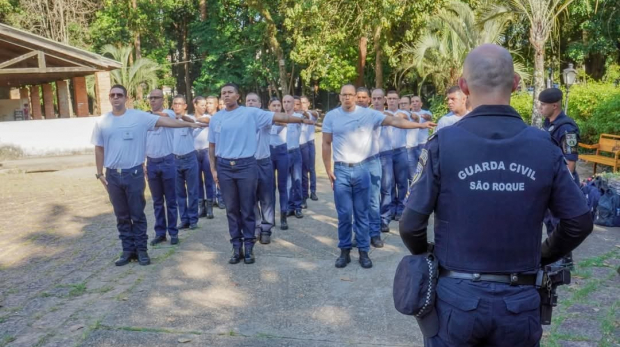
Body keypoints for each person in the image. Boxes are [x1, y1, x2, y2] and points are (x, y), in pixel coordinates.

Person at [399, 44, 593, 346]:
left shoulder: (443, 143)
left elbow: (411, 225)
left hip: (456, 302)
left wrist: (429, 255)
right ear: (515, 83)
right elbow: (578, 221)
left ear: (464, 86)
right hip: (519, 304)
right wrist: (541, 256)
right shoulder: (544, 145)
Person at [322, 84, 435, 269]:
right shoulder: (331, 116)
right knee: (344, 214)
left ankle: (364, 252)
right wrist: (328, 169)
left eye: (351, 94)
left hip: (362, 168)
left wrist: (420, 124)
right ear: (340, 96)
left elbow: (395, 122)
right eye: (345, 95)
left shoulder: (368, 114)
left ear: (355, 96)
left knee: (361, 212)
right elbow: (326, 143)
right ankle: (344, 251)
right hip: (341, 170)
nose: (348, 98)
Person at [92, 85, 206, 266]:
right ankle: (127, 251)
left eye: (119, 95)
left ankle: (142, 251)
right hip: (113, 174)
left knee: (137, 214)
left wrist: (190, 123)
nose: (116, 98)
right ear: (109, 98)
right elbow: (99, 148)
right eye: (112, 95)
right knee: (121, 215)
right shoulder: (102, 121)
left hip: (134, 173)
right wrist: (99, 173)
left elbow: (168, 122)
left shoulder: (139, 117)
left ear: (126, 98)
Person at [208, 83, 312, 265]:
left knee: (247, 208)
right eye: (223, 93)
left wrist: (301, 120)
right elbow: (212, 146)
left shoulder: (251, 113)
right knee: (231, 210)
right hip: (224, 167)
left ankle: (249, 248)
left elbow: (279, 117)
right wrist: (213, 169)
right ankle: (236, 247)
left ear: (238, 96)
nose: (226, 95)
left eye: (230, 92)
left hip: (246, 165)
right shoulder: (216, 118)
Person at [145, 89, 179, 246]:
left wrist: (147, 116)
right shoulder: (145, 118)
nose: (153, 100)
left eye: (156, 98)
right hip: (151, 162)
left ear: (163, 100)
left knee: (171, 200)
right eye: (151, 98)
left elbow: (164, 117)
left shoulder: (169, 114)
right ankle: (160, 233)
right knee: (157, 201)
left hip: (167, 161)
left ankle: (173, 232)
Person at [246, 92, 275, 244]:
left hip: (263, 162)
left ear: (259, 104)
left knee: (266, 198)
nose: (250, 103)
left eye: (254, 101)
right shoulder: (242, 119)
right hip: (247, 164)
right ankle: (255, 227)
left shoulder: (265, 117)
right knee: (250, 198)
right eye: (248, 101)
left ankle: (266, 229)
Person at [171, 95, 201, 230]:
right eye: (175, 104)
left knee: (193, 191)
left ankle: (193, 219)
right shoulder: (169, 121)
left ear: (185, 106)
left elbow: (191, 121)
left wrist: (183, 118)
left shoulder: (190, 119)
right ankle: (184, 219)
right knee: (179, 193)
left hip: (189, 158)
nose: (177, 106)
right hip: (175, 159)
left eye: (180, 104)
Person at [385, 90, 410, 221]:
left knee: (402, 183)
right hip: (387, 152)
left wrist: (384, 114)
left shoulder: (404, 113)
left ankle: (401, 209)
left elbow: (401, 116)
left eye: (394, 98)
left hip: (401, 151)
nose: (392, 101)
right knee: (389, 183)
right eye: (390, 98)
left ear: (399, 100)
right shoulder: (382, 114)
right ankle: (391, 209)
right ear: (386, 100)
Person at [373, 88, 394, 233]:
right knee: (373, 191)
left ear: (384, 99)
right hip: (371, 155)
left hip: (386, 153)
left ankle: (384, 219)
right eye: (374, 98)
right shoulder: (366, 115)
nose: (376, 101)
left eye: (379, 98)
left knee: (386, 188)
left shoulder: (390, 114)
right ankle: (373, 220)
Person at [268, 98, 290, 230]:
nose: (276, 108)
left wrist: (275, 121)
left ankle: (283, 216)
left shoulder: (284, 117)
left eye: (278, 105)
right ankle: (270, 217)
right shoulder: (265, 118)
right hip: (269, 152)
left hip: (282, 151)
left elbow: (284, 122)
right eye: (273, 105)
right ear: (269, 107)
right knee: (270, 187)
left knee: (283, 186)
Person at [192, 96, 215, 219]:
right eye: (201, 104)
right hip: (194, 152)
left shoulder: (209, 117)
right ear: (195, 105)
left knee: (209, 180)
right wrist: (191, 121)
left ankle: (210, 207)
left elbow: (208, 121)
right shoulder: (189, 118)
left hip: (206, 152)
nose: (204, 107)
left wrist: (195, 122)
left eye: (205, 104)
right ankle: (201, 207)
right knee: (197, 181)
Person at [284, 95, 304, 218]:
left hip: (295, 151)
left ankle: (298, 207)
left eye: (289, 102)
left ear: (294, 103)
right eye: (284, 101)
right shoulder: (279, 117)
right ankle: (288, 206)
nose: (286, 104)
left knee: (297, 180)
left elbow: (310, 116)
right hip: (283, 153)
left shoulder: (298, 117)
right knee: (286, 183)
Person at [300, 96, 319, 204]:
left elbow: (315, 114)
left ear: (308, 103)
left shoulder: (312, 114)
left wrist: (307, 113)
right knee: (303, 170)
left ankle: (313, 191)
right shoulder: (297, 115)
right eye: (300, 102)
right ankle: (304, 194)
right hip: (301, 145)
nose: (302, 104)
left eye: (304, 102)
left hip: (310, 142)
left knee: (311, 168)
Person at [411, 96, 433, 179]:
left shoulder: (426, 112)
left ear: (421, 104)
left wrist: (425, 117)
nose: (414, 103)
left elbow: (429, 118)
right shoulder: (408, 114)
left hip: (423, 144)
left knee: (425, 168)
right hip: (411, 146)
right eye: (412, 101)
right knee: (413, 172)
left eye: (417, 101)